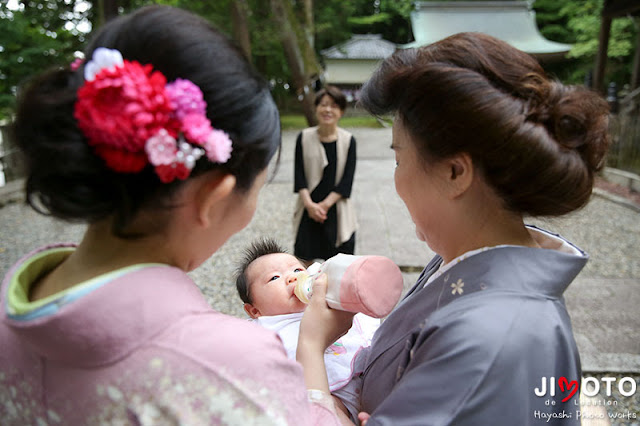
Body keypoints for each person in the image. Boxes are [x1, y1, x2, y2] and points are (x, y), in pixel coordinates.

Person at [0, 6, 352, 425]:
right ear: (213, 195)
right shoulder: (233, 363)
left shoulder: (12, 312)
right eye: (256, 189)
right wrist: (311, 348)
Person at [296, 32, 611, 425]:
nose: (397, 180)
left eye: (398, 158)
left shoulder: (490, 341)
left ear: (454, 172)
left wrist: (311, 348)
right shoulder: (459, 265)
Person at [235, 238, 380, 421]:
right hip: (321, 398)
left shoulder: (328, 304)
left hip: (359, 384)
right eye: (274, 277)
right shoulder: (260, 331)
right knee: (333, 410)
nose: (293, 277)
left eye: (297, 270)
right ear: (254, 310)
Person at [294, 85, 357, 262]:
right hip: (308, 209)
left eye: (334, 106)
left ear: (341, 111)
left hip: (337, 211)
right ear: (316, 109)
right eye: (323, 104)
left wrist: (323, 207)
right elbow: (299, 177)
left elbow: (346, 182)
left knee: (339, 267)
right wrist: (310, 206)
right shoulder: (304, 138)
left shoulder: (348, 140)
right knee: (302, 265)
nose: (328, 109)